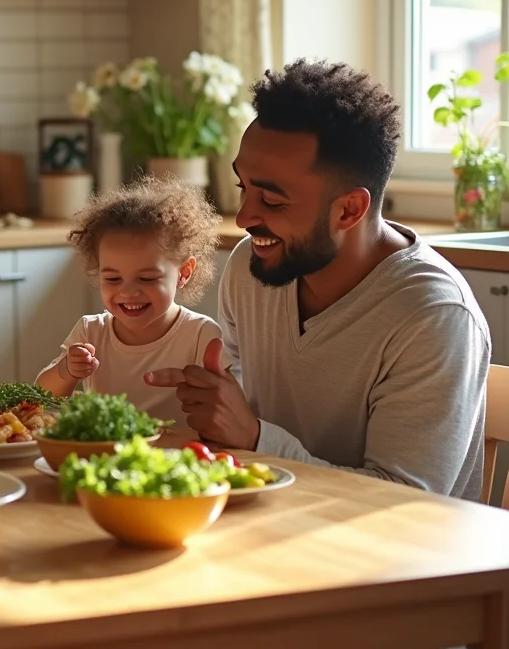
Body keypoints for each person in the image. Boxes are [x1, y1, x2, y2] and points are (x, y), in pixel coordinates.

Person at [145, 58, 488, 499]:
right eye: (243, 188)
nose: (245, 218)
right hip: (270, 522)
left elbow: (403, 501)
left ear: (349, 210)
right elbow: (236, 423)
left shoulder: (434, 315)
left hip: (386, 542)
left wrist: (254, 438)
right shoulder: (251, 267)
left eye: (272, 200)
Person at [35, 175, 228, 423]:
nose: (128, 292)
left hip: (180, 448)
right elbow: (42, 398)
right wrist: (67, 370)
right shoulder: (91, 331)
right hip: (109, 447)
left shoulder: (201, 335)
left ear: (184, 273)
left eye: (146, 278)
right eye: (113, 279)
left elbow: (227, 407)